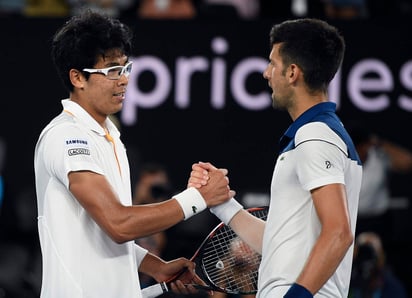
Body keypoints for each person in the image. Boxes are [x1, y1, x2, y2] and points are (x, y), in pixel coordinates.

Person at [33, 10, 235, 298]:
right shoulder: (67, 136)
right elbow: (118, 223)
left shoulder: (108, 137)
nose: (124, 80)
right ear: (77, 78)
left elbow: (99, 230)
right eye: (112, 70)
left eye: (125, 68)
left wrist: (153, 265)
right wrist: (197, 198)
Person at [189, 18, 363, 298]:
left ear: (292, 72)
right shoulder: (318, 134)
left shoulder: (315, 136)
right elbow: (279, 245)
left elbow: (339, 232)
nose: (266, 73)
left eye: (272, 63)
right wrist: (223, 205)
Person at [349, 232, 408, 298]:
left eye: (370, 254)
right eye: (362, 254)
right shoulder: (347, 284)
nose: (366, 262)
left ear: (381, 258)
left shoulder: (394, 289)